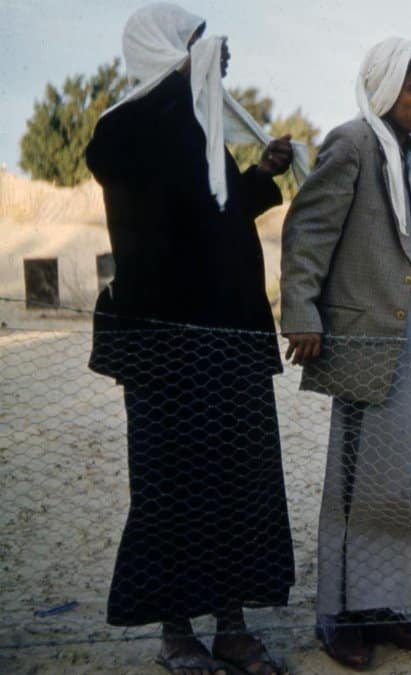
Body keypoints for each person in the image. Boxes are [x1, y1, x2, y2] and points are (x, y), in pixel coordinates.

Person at [86, 4, 295, 673]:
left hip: (230, 343)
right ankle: (177, 630)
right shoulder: (124, 132)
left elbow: (222, 218)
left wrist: (258, 173)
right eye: (205, 46)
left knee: (240, 481)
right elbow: (166, 219)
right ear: (165, 51)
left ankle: (231, 621)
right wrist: (190, 83)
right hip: (167, 352)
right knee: (172, 485)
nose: (224, 56)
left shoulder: (201, 130)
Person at [280, 38, 411, 669]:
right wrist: (300, 311)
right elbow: (309, 229)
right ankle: (341, 618)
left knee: (407, 478)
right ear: (384, 87)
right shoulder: (352, 142)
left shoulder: (409, 155)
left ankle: (386, 609)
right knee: (361, 484)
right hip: (369, 344)